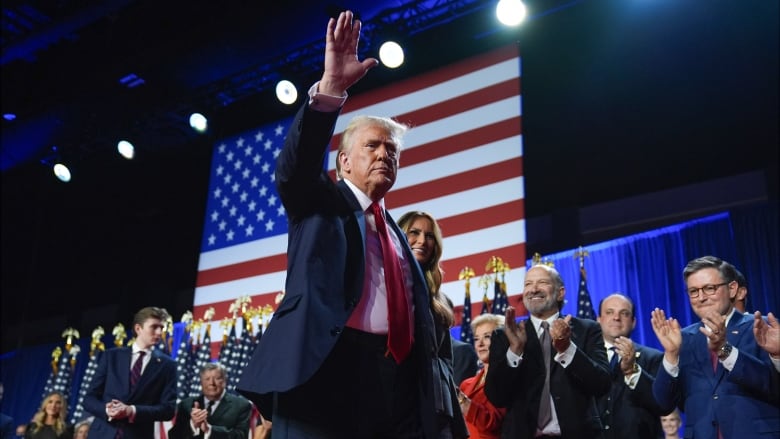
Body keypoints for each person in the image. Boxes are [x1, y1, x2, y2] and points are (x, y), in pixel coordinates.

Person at [236, 10, 444, 438]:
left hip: (393, 383)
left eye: (392, 150)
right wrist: (330, 91)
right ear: (344, 162)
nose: (385, 154)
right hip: (324, 371)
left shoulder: (398, 235)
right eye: (373, 146)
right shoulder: (320, 202)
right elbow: (293, 170)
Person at [651, 255, 780, 438]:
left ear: (732, 289)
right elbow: (663, 405)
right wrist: (671, 355)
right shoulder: (683, 338)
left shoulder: (762, 328)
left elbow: (773, 386)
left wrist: (724, 350)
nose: (701, 297)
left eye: (709, 288)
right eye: (693, 291)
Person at [484, 263, 611, 439]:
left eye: (542, 282)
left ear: (560, 292)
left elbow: (602, 384)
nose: (534, 289)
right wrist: (514, 351)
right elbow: (497, 396)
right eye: (528, 284)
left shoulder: (587, 330)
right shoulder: (505, 334)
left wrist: (567, 349)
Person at [397, 210, 468, 438]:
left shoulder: (440, 298)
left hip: (438, 407)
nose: (422, 241)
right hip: (400, 403)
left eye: (429, 236)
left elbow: (446, 356)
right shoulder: (386, 286)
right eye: (414, 233)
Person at [83, 306, 177, 439]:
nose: (159, 332)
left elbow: (168, 409)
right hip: (103, 433)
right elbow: (89, 399)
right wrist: (106, 410)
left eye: (161, 328)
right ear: (138, 328)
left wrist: (131, 410)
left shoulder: (168, 365)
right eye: (154, 327)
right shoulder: (111, 356)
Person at [595, 293, 667, 439]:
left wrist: (632, 371)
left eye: (624, 313)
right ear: (598, 320)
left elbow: (662, 404)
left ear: (633, 322)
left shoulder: (653, 358)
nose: (616, 317)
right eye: (609, 312)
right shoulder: (586, 357)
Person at [168, 362, 251, 439]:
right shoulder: (187, 404)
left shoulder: (241, 405)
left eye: (217, 378)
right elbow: (174, 436)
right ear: (201, 382)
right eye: (207, 379)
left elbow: (242, 436)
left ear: (225, 381)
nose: (211, 383)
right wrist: (193, 425)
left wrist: (210, 430)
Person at [458, 313, 506, 439]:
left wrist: (462, 400)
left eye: (487, 337)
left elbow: (492, 423)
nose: (480, 344)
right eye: (476, 338)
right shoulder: (466, 384)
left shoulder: (508, 379)